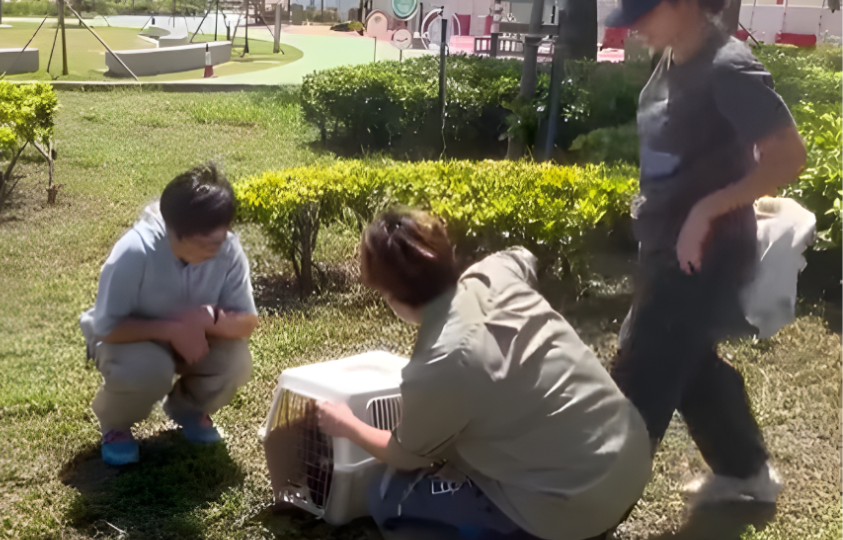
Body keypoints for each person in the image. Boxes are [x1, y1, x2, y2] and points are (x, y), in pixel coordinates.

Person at [317, 209, 652, 540]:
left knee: (388, 496)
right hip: (631, 462)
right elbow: (524, 257)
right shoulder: (494, 272)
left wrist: (346, 423)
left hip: (572, 508)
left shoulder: (437, 365)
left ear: (391, 297)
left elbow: (403, 456)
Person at [604, 0, 807, 506]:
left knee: (639, 375)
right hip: (668, 248)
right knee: (691, 365)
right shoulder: (674, 57)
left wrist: (706, 212)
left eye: (644, 13)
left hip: (700, 258)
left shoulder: (727, 68)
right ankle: (747, 474)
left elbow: (789, 156)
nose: (635, 26)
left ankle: (591, 502)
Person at [79, 163, 258, 466]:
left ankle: (188, 409)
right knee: (151, 369)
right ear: (172, 229)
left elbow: (247, 321)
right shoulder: (134, 251)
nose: (216, 247)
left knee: (235, 362)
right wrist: (172, 329)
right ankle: (116, 423)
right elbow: (107, 327)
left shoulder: (226, 249)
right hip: (127, 341)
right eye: (204, 242)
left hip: (192, 340)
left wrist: (208, 318)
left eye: (220, 236)